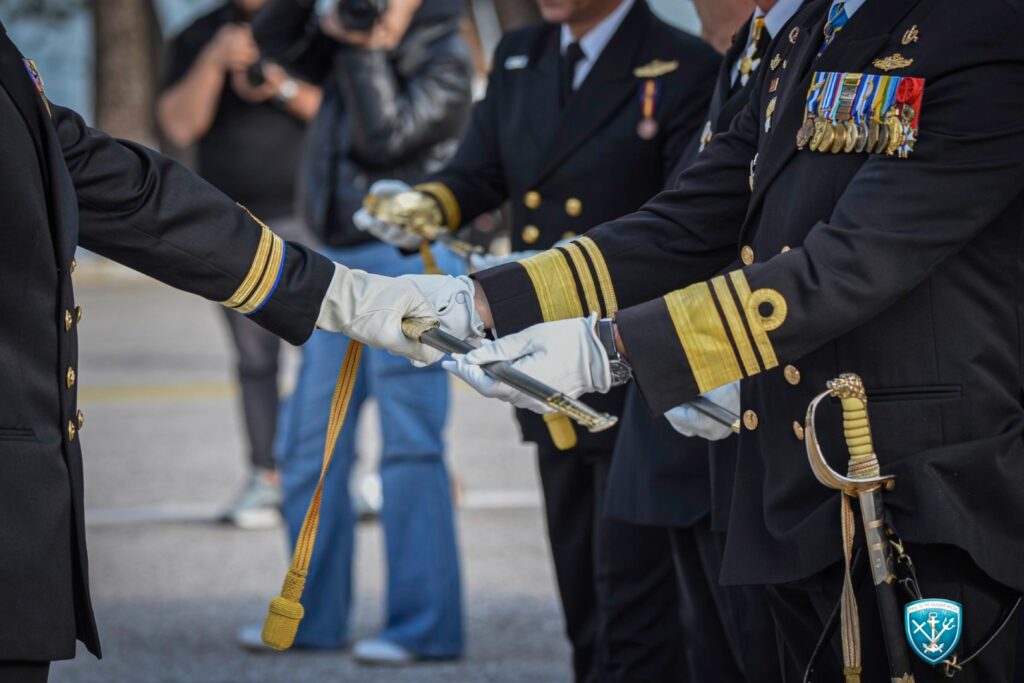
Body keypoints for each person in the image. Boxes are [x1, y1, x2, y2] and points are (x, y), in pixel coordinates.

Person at [419, 0, 1024, 679]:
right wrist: (485, 298)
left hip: (922, 501)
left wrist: (614, 347)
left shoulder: (986, 26)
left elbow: (850, 261)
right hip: (795, 499)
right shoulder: (811, 29)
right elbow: (687, 219)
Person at [0, 19, 449, 683]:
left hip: (325, 244)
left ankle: (413, 623)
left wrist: (333, 292)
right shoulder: (206, 34)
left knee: (400, 445)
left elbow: (116, 184)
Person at [357, 0, 720, 677]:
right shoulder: (524, 53)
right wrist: (430, 204)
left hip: (625, 358)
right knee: (581, 583)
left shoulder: (684, 63)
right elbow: (480, 171)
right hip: (536, 352)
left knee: (638, 599)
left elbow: (683, 222)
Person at [243, 0, 473, 664]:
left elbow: (385, 140)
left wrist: (367, 47)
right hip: (331, 265)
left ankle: (425, 627)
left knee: (409, 449)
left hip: (413, 267)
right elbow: (272, 33)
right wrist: (341, 23)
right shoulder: (337, 39)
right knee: (308, 442)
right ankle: (313, 616)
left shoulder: (445, 57)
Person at [602, 1, 801, 679]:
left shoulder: (797, 50)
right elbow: (680, 220)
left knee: (761, 650)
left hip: (755, 400)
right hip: (682, 404)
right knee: (705, 646)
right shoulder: (744, 55)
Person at [156, 0, 322, 530]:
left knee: (331, 356)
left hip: (313, 219)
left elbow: (339, 112)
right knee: (255, 361)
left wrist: (278, 84)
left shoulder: (310, 23)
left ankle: (336, 473)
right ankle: (265, 476)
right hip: (234, 226)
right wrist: (214, 60)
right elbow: (179, 126)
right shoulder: (199, 34)